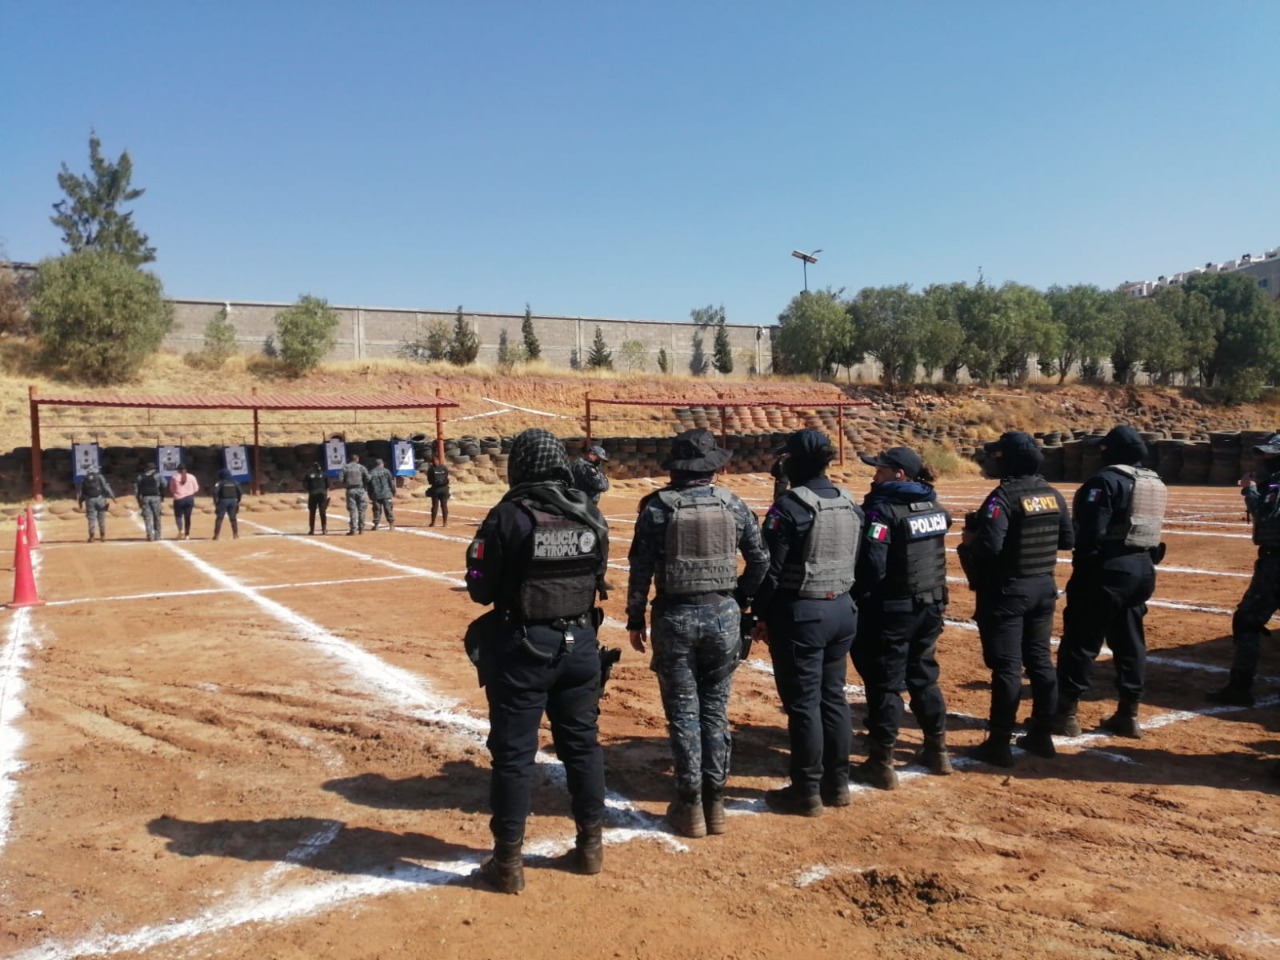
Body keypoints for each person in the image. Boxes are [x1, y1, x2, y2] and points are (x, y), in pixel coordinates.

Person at [464, 428, 610, 893]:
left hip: (525, 649)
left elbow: (480, 589)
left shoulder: (508, 515)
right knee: (583, 747)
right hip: (582, 646)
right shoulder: (589, 514)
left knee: (513, 757)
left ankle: (507, 863)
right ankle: (590, 848)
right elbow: (599, 575)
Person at [626, 429, 768, 838]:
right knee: (714, 711)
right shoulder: (734, 504)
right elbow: (760, 560)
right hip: (723, 616)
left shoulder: (656, 508)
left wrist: (635, 619)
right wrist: (738, 599)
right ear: (712, 467)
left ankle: (690, 805)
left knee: (685, 715)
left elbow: (639, 571)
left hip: (675, 618)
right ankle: (716, 802)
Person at [753, 429, 862, 815]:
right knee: (833, 697)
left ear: (795, 462)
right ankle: (838, 784)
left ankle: (807, 789)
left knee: (803, 705)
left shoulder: (790, 507)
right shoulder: (851, 502)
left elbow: (770, 570)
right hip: (842, 609)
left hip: (803, 613)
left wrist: (758, 614)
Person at [959, 432, 1074, 767]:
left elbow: (989, 547)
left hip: (1008, 591)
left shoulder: (1002, 497)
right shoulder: (1052, 494)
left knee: (1008, 668)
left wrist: (972, 539)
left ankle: (998, 742)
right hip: (1043, 587)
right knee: (1039, 661)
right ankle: (1042, 734)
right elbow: (1067, 539)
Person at [1053, 425, 1167, 739]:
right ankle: (1128, 713)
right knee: (1130, 641)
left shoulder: (1106, 481)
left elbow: (1090, 532)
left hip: (1108, 569)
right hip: (1143, 568)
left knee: (1081, 640)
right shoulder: (1154, 482)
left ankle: (1066, 714)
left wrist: (1085, 566)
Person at [851, 446, 952, 790]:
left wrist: (860, 598)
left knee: (885, 683)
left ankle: (881, 763)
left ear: (899, 474)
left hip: (893, 609)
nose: (874, 474)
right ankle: (937, 749)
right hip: (931, 605)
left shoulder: (882, 510)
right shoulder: (933, 505)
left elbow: (873, 566)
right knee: (923, 675)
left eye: (880, 469)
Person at [1206, 432, 1280, 707]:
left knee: (1247, 621)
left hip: (1275, 563)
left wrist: (1249, 488)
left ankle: (1240, 687)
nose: (1264, 458)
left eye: (1270, 453)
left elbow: (1266, 513)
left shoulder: (1277, 482)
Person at [78, 466, 117, 542]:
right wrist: (112, 496)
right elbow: (106, 487)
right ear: (95, 470)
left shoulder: (85, 478)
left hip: (89, 500)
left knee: (91, 518)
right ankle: (103, 536)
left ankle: (92, 536)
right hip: (100, 499)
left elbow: (82, 492)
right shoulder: (99, 476)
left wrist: (80, 501)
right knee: (101, 517)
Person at [341, 453, 370, 535]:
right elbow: (368, 478)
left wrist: (346, 483)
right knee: (362, 510)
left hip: (350, 490)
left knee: (352, 510)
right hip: (360, 490)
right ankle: (361, 529)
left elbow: (341, 479)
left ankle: (353, 529)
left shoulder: (345, 467)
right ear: (357, 459)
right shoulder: (361, 467)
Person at [134, 462, 164, 542]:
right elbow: (164, 484)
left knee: (147, 518)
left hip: (145, 498)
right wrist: (162, 495)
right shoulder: (158, 476)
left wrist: (138, 500)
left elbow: (136, 490)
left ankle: (150, 535)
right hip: (156, 497)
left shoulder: (140, 477)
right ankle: (157, 536)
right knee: (157, 517)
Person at [211, 468, 243, 540]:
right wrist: (238, 501)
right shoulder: (235, 482)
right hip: (233, 501)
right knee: (233, 518)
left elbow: (215, 492)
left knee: (219, 518)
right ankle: (235, 534)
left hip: (223, 501)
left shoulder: (220, 483)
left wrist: (215, 502)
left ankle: (216, 535)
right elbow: (240, 492)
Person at [168, 464, 199, 540]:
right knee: (187, 517)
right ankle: (187, 534)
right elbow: (196, 489)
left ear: (178, 470)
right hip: (189, 498)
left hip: (179, 499)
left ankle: (180, 529)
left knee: (178, 516)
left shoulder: (174, 477)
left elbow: (171, 489)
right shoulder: (191, 477)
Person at [367, 458, 396, 531]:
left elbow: (369, 486)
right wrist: (393, 491)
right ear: (381, 464)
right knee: (388, 509)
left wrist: (370, 495)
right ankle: (391, 525)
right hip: (386, 494)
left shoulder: (371, 472)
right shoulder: (386, 471)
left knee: (376, 509)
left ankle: (376, 525)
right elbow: (391, 483)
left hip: (376, 494)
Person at [303, 461, 330, 535]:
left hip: (313, 494)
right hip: (322, 494)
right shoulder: (324, 474)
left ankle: (312, 530)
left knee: (312, 512)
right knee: (322, 512)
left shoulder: (308, 474)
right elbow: (328, 485)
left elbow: (305, 485)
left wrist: (310, 490)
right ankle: (324, 529)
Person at [426, 452, 451, 527]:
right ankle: (445, 523)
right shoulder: (444, 468)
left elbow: (429, 481)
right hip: (444, 488)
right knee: (444, 506)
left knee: (435, 506)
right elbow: (447, 477)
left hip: (435, 489)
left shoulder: (431, 469)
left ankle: (433, 522)